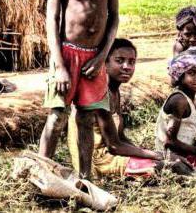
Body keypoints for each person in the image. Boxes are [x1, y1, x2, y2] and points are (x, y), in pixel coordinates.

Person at [38, 0, 120, 179]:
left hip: (94, 58)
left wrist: (102, 58)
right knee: (58, 116)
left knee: (86, 118)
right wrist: (60, 65)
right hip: (67, 55)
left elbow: (113, 17)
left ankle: (84, 178)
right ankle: (41, 172)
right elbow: (52, 18)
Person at [67, 39, 167, 177]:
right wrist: (152, 155)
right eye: (119, 61)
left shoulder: (114, 91)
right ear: (104, 63)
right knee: (163, 166)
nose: (127, 67)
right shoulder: (99, 93)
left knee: (170, 162)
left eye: (131, 62)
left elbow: (120, 137)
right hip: (99, 162)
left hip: (111, 155)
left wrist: (142, 151)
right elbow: (114, 145)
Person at [155, 47, 196, 167]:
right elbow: (169, 142)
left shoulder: (191, 98)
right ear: (181, 75)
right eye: (192, 73)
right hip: (172, 156)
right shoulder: (179, 100)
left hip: (183, 152)